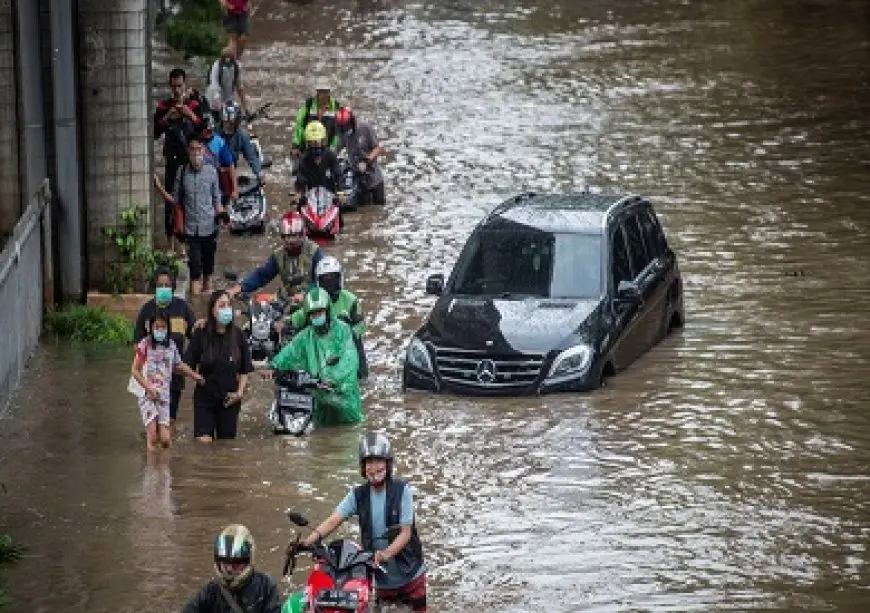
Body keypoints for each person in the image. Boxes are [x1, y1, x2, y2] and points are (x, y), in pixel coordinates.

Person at [294, 433, 427, 612]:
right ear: (363, 468)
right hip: (380, 578)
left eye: (379, 461)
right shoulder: (357, 495)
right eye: (368, 462)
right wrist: (306, 543)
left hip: (411, 573)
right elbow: (334, 520)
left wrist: (385, 554)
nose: (374, 467)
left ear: (388, 463)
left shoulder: (403, 491)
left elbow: (405, 533)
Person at [266, 288, 362, 426]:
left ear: (328, 311)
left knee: (348, 437)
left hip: (345, 400)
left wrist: (332, 379)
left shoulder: (343, 330)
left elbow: (349, 360)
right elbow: (290, 352)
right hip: (320, 400)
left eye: (320, 312)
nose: (317, 317)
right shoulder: (306, 336)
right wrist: (273, 367)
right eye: (313, 314)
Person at [153, 135, 224, 296]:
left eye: (199, 149)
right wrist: (159, 188)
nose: (196, 153)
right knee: (195, 273)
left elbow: (217, 200)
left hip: (210, 229)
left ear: (204, 151)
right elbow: (175, 200)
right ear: (188, 151)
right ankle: (196, 307)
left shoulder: (212, 172)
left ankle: (207, 307)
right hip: (191, 231)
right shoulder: (182, 172)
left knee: (208, 272)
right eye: (193, 150)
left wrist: (222, 214)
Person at [133, 267, 197, 433]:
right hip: (150, 378)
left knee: (169, 421)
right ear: (155, 287)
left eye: (167, 285)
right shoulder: (147, 310)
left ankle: (166, 455)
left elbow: (195, 337)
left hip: (173, 376)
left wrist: (188, 364)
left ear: (173, 287)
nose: (164, 288)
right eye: (160, 285)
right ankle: (152, 452)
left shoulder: (182, 308)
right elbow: (137, 343)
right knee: (151, 423)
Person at [183, 290, 253, 442]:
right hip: (205, 399)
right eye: (222, 305)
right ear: (213, 310)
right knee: (204, 443)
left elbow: (245, 370)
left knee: (225, 447)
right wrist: (197, 378)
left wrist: (239, 393)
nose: (226, 309)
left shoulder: (238, 335)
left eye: (228, 305)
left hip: (229, 399)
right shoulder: (201, 333)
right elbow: (185, 365)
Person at [130, 311, 204, 451]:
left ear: (168, 328)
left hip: (163, 395)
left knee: (165, 439)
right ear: (151, 328)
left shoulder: (171, 345)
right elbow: (134, 370)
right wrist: (148, 388)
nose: (160, 330)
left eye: (163, 327)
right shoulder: (144, 345)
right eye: (156, 327)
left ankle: (165, 468)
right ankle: (151, 470)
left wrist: (195, 375)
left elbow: (178, 365)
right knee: (152, 436)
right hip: (147, 395)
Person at [289, 256, 368, 379]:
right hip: (318, 344)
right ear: (319, 282)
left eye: (333, 278)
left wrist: (350, 333)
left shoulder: (350, 299)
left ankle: (361, 376)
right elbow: (295, 320)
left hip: (346, 346)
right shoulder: (312, 300)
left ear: (340, 278)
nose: (329, 283)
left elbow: (361, 324)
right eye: (325, 280)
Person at [153, 68, 206, 245]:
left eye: (180, 86)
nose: (177, 90)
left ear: (185, 85)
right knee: (170, 201)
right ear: (170, 85)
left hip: (188, 160)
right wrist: (168, 118)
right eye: (174, 86)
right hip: (171, 158)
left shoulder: (193, 105)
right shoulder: (163, 106)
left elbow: (203, 130)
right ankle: (170, 242)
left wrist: (189, 115)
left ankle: (186, 241)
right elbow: (154, 132)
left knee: (188, 200)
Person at [227, 212, 323, 305]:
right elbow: (262, 274)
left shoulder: (314, 251)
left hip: (314, 302)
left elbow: (323, 280)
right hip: (289, 301)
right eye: (287, 238)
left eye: (295, 237)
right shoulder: (279, 255)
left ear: (302, 235)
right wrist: (239, 287)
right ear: (282, 238)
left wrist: (306, 294)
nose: (291, 242)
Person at [182, 524, 281, 613]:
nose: (229, 569)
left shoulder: (265, 586)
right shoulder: (211, 591)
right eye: (225, 562)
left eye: (236, 563)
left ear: (248, 561)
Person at [336, 106, 386, 207]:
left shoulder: (365, 128)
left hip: (374, 176)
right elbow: (336, 149)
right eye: (342, 127)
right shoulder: (343, 134)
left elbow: (377, 148)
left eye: (346, 126)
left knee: (379, 207)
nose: (345, 129)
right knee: (364, 209)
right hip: (358, 179)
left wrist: (367, 160)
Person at [294, 121, 342, 204]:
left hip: (330, 200)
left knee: (339, 212)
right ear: (307, 143)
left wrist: (341, 193)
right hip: (311, 201)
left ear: (324, 142)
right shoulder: (303, 159)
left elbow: (339, 175)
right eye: (312, 143)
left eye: (318, 142)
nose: (316, 146)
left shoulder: (330, 156)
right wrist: (299, 194)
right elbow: (300, 180)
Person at [219, 100, 264, 185]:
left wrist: (259, 173)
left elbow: (251, 157)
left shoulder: (242, 136)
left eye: (232, 123)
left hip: (231, 173)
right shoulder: (215, 135)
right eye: (226, 122)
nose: (228, 126)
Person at [291, 82, 341, 153]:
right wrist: (296, 145)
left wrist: (333, 148)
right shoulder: (309, 105)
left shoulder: (335, 107)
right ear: (317, 93)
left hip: (328, 148)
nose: (323, 95)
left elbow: (338, 132)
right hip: (308, 147)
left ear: (329, 93)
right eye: (321, 92)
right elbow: (299, 126)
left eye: (326, 92)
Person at [202, 113, 239, 204]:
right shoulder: (195, 142)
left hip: (217, 184)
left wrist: (235, 189)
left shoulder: (219, 142)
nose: (208, 134)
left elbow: (230, 165)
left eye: (210, 131)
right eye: (206, 131)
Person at [207, 43, 249, 118]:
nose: (228, 62)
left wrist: (245, 109)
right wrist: (221, 109)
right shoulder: (216, 67)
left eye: (230, 60)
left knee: (233, 122)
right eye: (225, 60)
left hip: (229, 99)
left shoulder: (237, 66)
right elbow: (215, 89)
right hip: (214, 101)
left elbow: (239, 88)